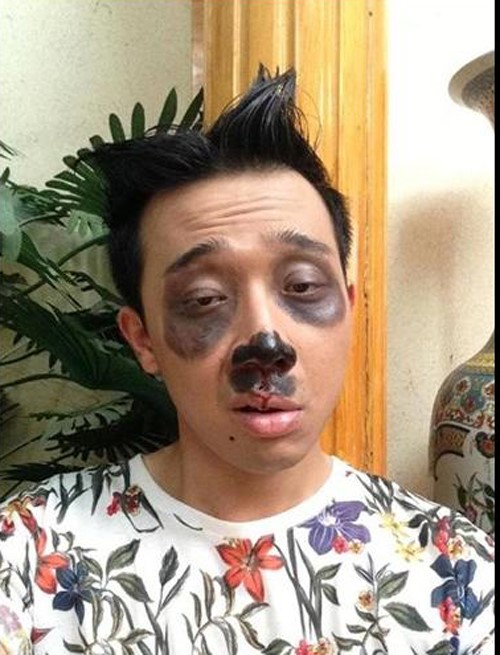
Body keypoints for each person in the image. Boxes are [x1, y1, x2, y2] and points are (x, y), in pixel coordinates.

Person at [0, 67, 494, 655]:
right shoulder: (28, 558)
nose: (266, 344)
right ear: (143, 339)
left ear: (348, 308)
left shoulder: (456, 575)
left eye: (303, 287)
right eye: (204, 299)